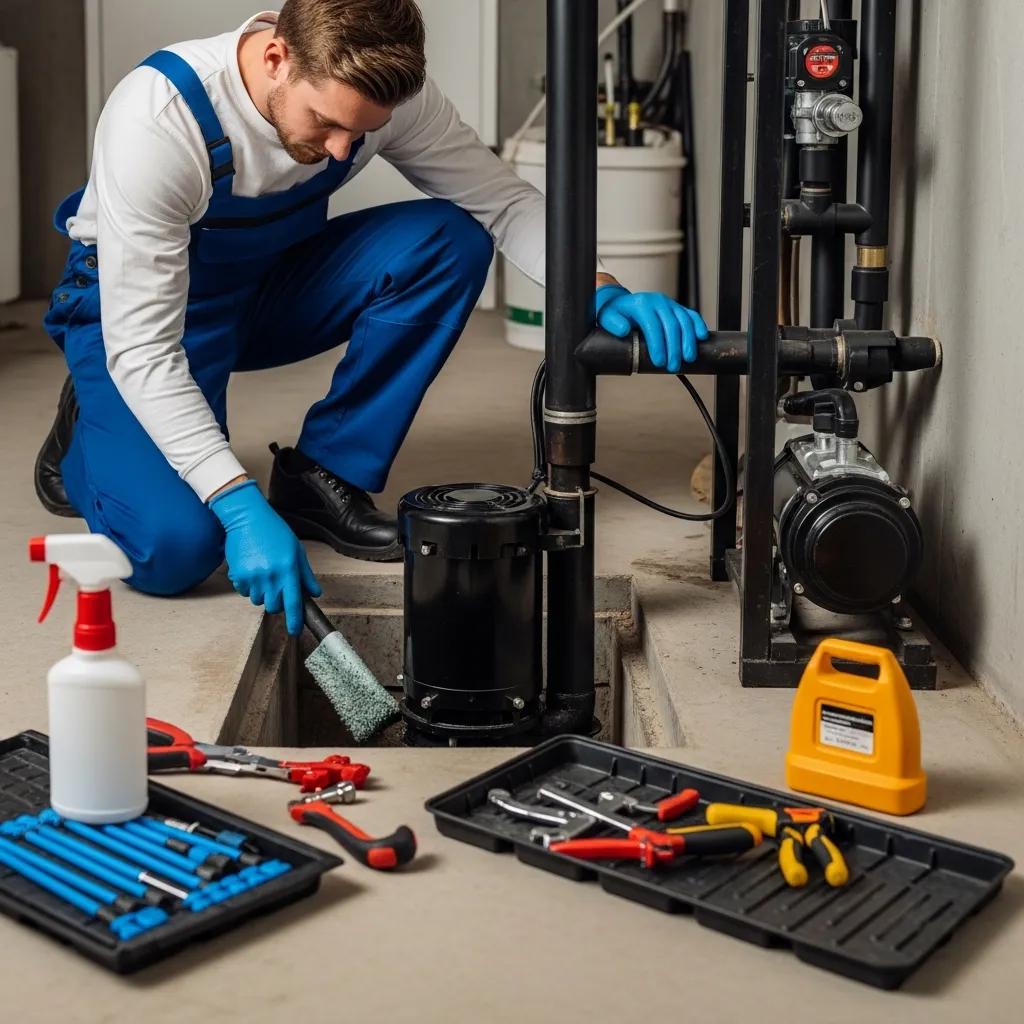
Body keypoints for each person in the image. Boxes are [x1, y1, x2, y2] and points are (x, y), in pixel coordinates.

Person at [35, 0, 708, 636]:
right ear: (277, 57)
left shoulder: (387, 104)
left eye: (358, 132)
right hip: (142, 318)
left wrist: (597, 290)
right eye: (326, 122)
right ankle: (88, 432)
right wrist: (236, 503)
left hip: (267, 285)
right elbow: (147, 351)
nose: (339, 150)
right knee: (176, 551)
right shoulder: (159, 119)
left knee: (450, 239)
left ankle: (321, 477)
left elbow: (501, 202)